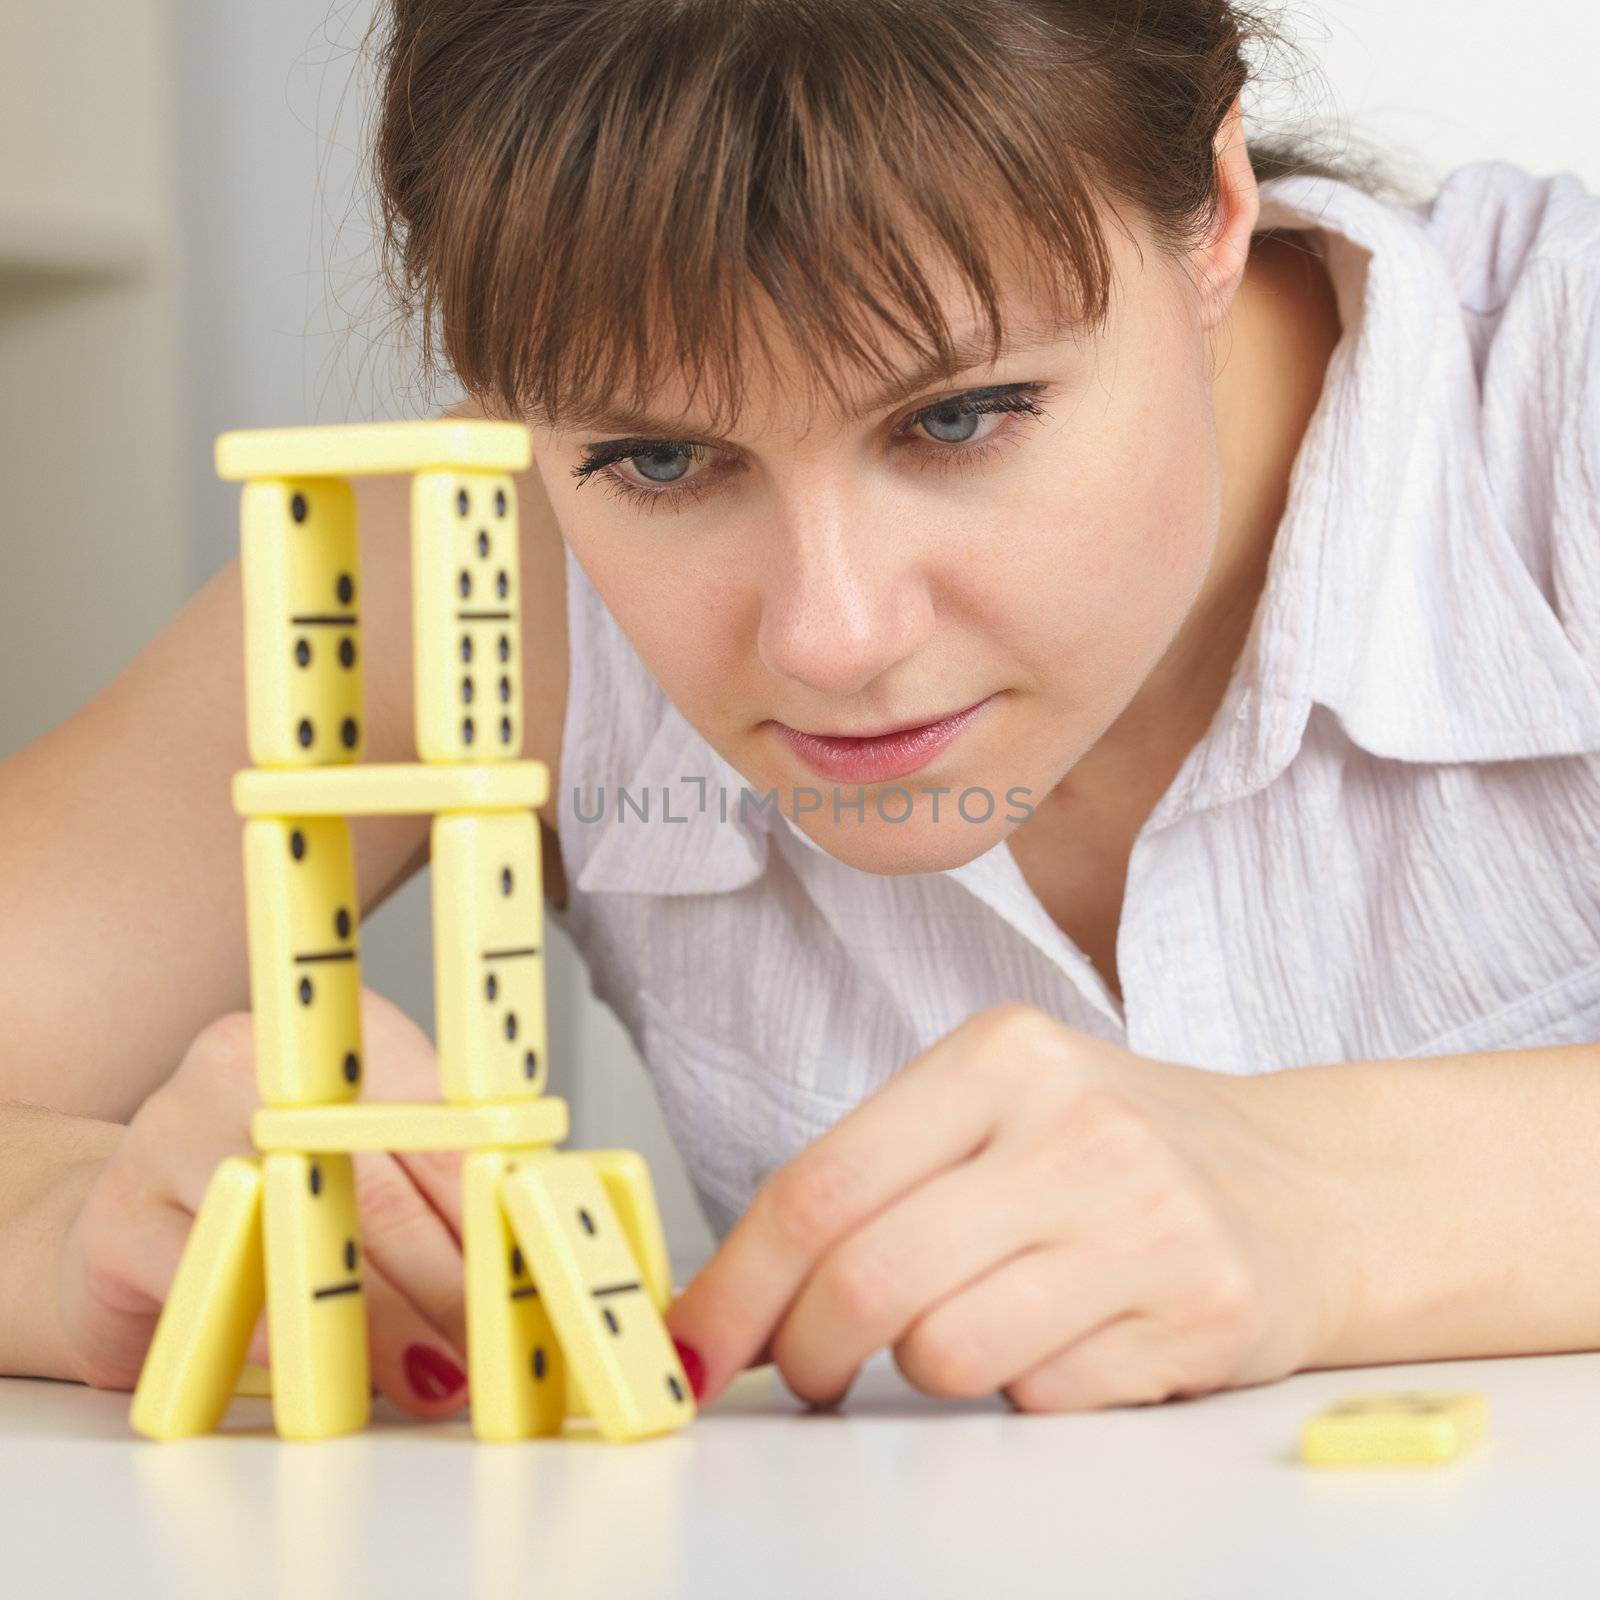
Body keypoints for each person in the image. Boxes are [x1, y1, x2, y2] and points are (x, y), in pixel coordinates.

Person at [3, 0, 1599, 1422]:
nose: (831, 638)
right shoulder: (474, 573)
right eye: (661, 462)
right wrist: (85, 1227)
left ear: (1214, 215)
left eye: (961, 416)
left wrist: (1336, 1203)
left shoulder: (1560, 395)